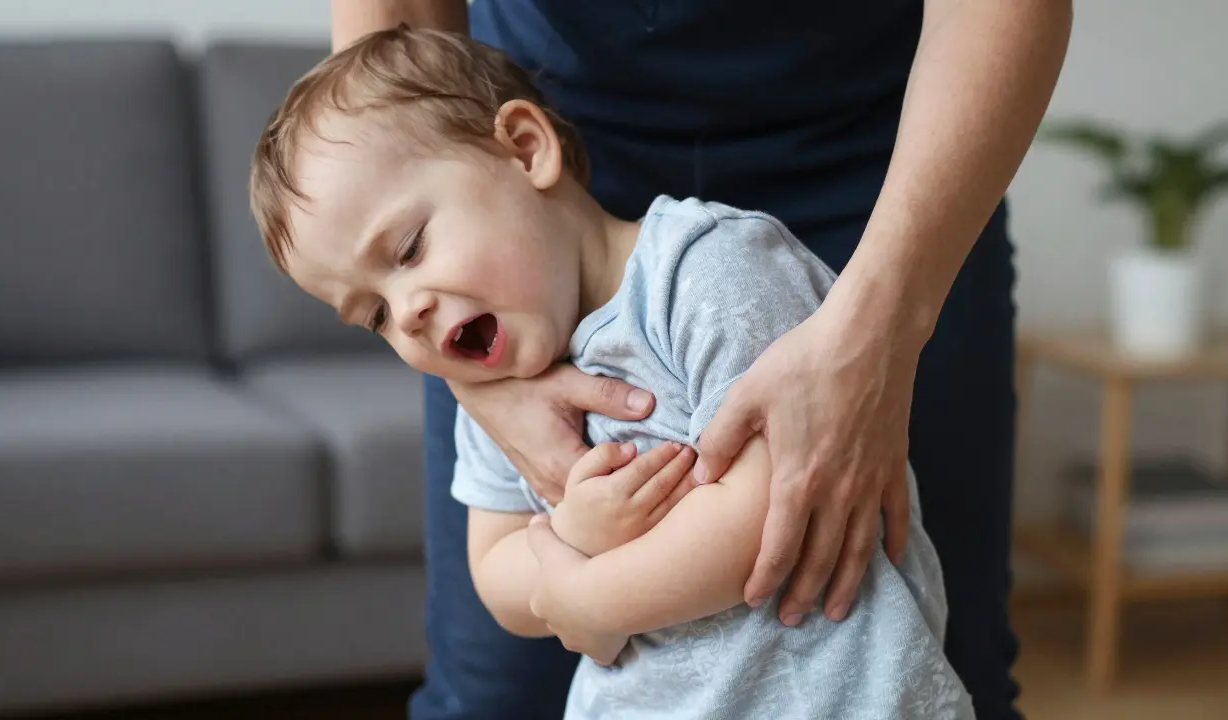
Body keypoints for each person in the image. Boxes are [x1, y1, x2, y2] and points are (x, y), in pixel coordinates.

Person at [323, 3, 1071, 720]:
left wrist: (590, 598)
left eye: (410, 249)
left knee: (968, 652)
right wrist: (572, 542)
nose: (409, 312)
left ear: (525, 149)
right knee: (487, 699)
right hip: (552, 107)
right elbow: (497, 570)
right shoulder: (488, 351)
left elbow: (772, 503)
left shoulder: (711, 274)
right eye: (375, 315)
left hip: (872, 132)